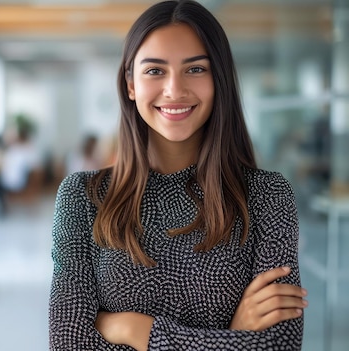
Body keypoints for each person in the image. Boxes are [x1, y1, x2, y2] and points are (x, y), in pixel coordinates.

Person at [49, 1, 307, 350]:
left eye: (195, 69)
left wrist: (133, 329)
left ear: (219, 80)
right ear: (130, 84)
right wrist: (233, 336)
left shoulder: (267, 195)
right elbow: (69, 343)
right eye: (155, 71)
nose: (174, 89)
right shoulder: (83, 196)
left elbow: (278, 346)